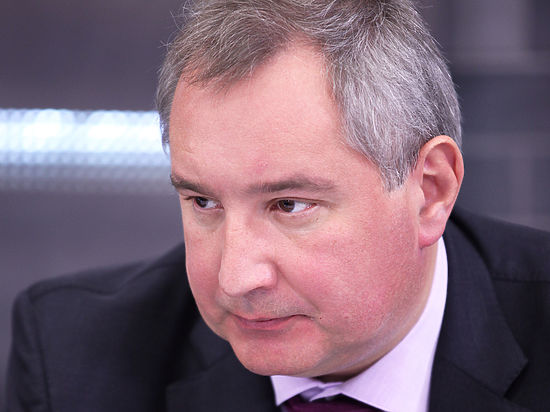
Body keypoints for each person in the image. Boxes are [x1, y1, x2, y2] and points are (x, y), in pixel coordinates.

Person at [5, 0, 550, 411]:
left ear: (429, 191)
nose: (235, 278)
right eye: (203, 201)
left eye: (289, 205)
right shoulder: (72, 357)